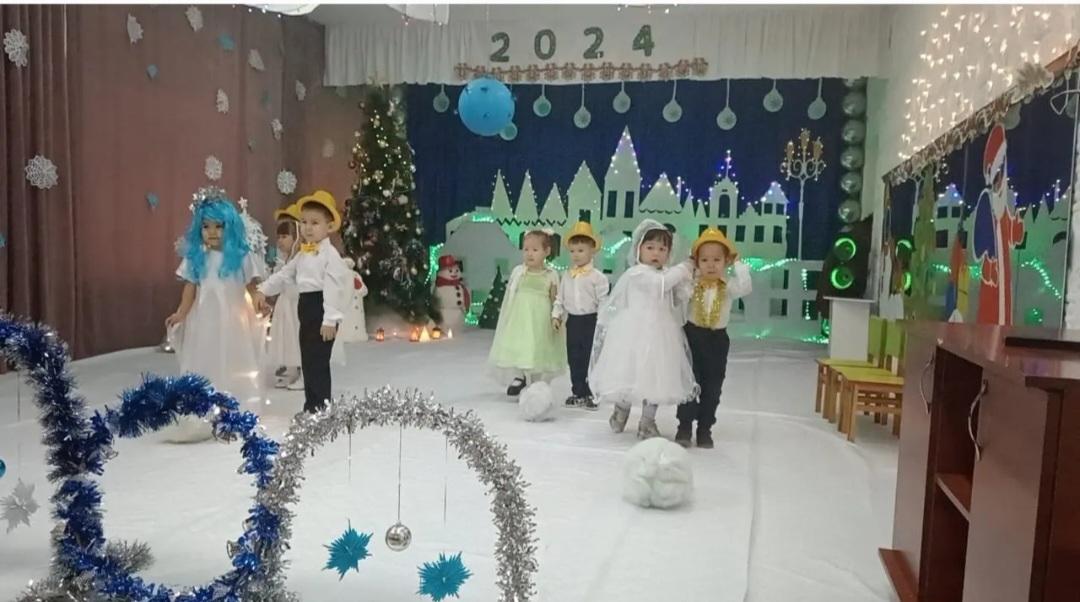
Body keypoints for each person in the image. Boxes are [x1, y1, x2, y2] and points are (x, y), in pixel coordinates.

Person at [164, 188, 265, 442]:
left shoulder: (240, 257)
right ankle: (203, 407)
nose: (212, 232)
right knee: (205, 357)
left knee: (233, 358)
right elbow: (190, 288)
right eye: (206, 227)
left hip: (233, 320)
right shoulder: (197, 258)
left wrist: (259, 300)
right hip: (205, 320)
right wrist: (181, 312)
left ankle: (234, 407)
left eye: (219, 226)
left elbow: (251, 286)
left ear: (230, 227)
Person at [589, 219, 697, 439]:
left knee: (656, 377)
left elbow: (675, 298)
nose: (656, 253)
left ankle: (647, 421)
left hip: (661, 334)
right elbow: (660, 285)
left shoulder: (666, 274)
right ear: (639, 249)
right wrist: (683, 268)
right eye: (650, 247)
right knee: (629, 372)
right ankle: (621, 409)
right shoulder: (637, 273)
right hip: (635, 333)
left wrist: (686, 285)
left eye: (662, 249)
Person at [255, 190, 348, 414]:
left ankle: (322, 408)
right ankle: (311, 406)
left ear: (329, 227)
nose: (308, 228)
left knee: (318, 362)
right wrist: (263, 289)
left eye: (315, 223)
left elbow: (334, 288)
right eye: (304, 222)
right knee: (307, 360)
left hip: (322, 308)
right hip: (305, 307)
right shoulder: (302, 254)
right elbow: (285, 274)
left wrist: (330, 319)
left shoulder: (330, 255)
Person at [675, 227, 751, 448]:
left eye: (717, 260)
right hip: (692, 336)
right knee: (689, 383)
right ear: (697, 261)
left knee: (713, 386)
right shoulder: (692, 285)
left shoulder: (729, 286)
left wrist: (738, 264)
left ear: (726, 261)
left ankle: (705, 428)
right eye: (704, 260)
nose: (710, 265)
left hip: (717, 340)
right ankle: (684, 426)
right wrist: (689, 271)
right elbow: (679, 294)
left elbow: (746, 287)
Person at [488, 230, 566, 396]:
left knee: (537, 345)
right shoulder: (519, 272)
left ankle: (537, 380)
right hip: (521, 316)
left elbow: (555, 298)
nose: (530, 254)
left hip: (540, 317)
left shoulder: (551, 275)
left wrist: (556, 316)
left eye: (535, 250)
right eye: (526, 249)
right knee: (521, 344)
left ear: (547, 251)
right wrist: (508, 316)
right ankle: (520, 376)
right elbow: (510, 294)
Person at [552, 221, 609, 410]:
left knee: (590, 357)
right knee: (574, 357)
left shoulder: (598, 277)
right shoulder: (567, 275)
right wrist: (556, 315)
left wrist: (602, 323)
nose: (576, 255)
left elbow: (603, 301)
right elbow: (560, 298)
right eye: (573, 251)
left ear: (592, 250)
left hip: (591, 321)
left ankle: (591, 392)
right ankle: (578, 391)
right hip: (573, 321)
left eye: (581, 250)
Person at [266, 203, 304, 389]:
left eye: (284, 236)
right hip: (285, 304)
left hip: (296, 305)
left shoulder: (301, 258)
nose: (280, 241)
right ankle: (292, 371)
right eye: (278, 237)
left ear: (295, 236)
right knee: (287, 338)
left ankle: (304, 374)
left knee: (298, 337)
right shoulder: (283, 259)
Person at [338, 257, 370, 343]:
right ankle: (347, 336)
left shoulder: (356, 275)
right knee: (349, 323)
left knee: (358, 322)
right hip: (348, 309)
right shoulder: (339, 277)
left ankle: (359, 335)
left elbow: (364, 291)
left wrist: (360, 286)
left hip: (358, 307)